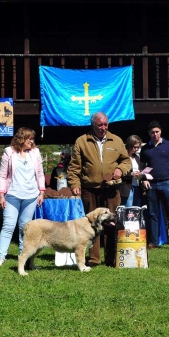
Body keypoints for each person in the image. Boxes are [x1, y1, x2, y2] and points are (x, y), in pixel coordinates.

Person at [67, 112, 131, 267]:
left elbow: (126, 160)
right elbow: (74, 167)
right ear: (93, 125)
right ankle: (94, 259)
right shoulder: (82, 141)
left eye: (106, 125)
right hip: (90, 190)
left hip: (111, 190)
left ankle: (112, 258)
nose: (103, 128)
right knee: (92, 226)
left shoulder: (116, 140)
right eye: (100, 125)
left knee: (112, 223)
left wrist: (120, 170)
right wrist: (75, 185)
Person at [0, 127, 46, 266]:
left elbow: (40, 174)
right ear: (21, 139)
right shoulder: (9, 152)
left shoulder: (35, 153)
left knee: (25, 227)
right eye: (29, 139)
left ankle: (24, 256)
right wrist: (1, 195)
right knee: (8, 225)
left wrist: (41, 192)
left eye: (32, 139)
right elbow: (2, 175)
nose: (32, 141)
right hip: (12, 194)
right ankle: (0, 256)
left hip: (31, 195)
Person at [140, 121, 169, 250]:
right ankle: (153, 241)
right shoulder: (145, 148)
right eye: (152, 132)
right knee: (152, 214)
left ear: (161, 132)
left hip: (167, 182)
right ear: (149, 133)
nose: (155, 134)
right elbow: (142, 167)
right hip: (152, 184)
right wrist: (143, 179)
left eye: (157, 132)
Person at [119, 135, 145, 207]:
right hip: (127, 187)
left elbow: (139, 169)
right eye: (134, 147)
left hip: (137, 186)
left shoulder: (137, 157)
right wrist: (131, 174)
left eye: (138, 147)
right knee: (128, 209)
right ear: (129, 145)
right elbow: (119, 173)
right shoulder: (122, 157)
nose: (136, 149)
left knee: (136, 209)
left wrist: (140, 174)